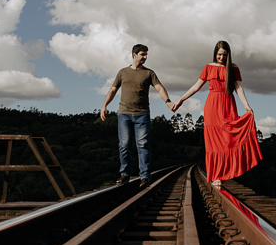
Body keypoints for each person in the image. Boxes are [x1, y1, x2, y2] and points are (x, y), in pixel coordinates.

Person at [173, 40, 262, 186]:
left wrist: (246, 105)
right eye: (219, 54)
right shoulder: (209, 67)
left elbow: (238, 87)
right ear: (215, 53)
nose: (221, 57)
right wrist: (181, 99)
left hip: (228, 105)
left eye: (224, 55)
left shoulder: (233, 68)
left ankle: (227, 171)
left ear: (228, 55)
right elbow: (196, 86)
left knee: (228, 138)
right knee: (214, 143)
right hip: (212, 107)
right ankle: (216, 176)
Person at [100, 43, 174, 187]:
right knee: (124, 145)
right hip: (124, 114)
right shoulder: (122, 72)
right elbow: (113, 90)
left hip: (142, 114)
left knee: (143, 145)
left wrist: (168, 101)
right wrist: (104, 105)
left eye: (146, 55)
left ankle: (145, 176)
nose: (145, 57)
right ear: (134, 55)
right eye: (142, 54)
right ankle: (125, 174)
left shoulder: (149, 73)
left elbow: (159, 87)